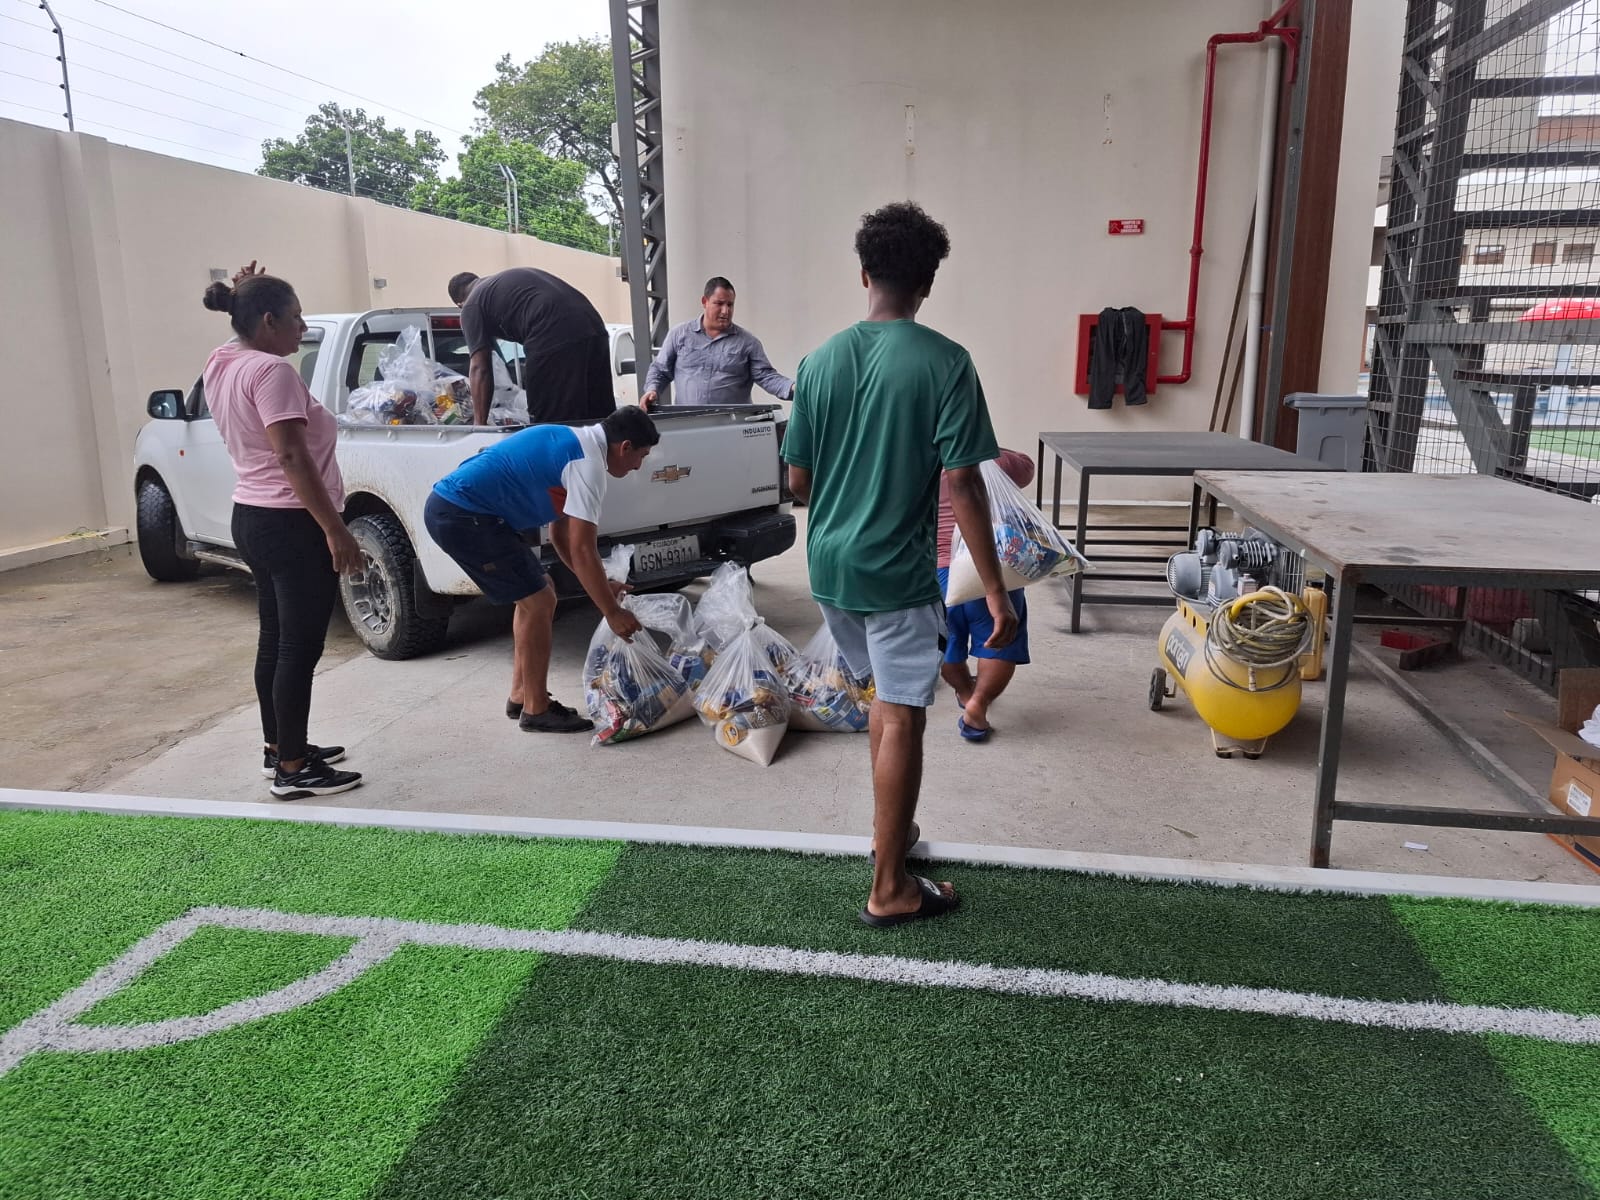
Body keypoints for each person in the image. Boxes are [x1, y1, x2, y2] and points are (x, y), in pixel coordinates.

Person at [782, 202, 1016, 928]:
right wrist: (996, 591)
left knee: (887, 702)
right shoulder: (946, 361)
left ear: (865, 274)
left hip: (830, 569)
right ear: (927, 282)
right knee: (903, 716)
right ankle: (890, 887)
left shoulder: (818, 361)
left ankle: (895, 833)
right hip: (896, 572)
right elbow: (964, 482)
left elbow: (798, 481)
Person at [201, 262, 364, 800]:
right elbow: (292, 456)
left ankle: (281, 746)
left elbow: (242, 323)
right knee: (298, 646)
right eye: (295, 317)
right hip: (293, 523)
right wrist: (335, 530)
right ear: (268, 321)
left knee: (276, 639)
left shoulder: (223, 360)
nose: (303, 327)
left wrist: (243, 290)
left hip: (253, 516)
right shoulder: (273, 373)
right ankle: (293, 769)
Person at [424, 406, 658, 733]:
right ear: (625, 447)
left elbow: (562, 537)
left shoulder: (573, 443)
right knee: (538, 600)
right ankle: (536, 710)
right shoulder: (587, 464)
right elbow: (582, 548)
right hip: (463, 515)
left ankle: (522, 695)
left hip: (463, 511)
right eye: (641, 456)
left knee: (539, 592)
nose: (638, 466)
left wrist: (603, 585)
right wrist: (612, 612)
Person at [937, 450, 1036, 741]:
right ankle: (978, 704)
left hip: (940, 570)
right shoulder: (996, 461)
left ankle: (965, 692)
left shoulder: (919, 463)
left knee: (945, 641)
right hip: (993, 567)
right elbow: (1027, 468)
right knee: (999, 640)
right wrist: (989, 448)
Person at [447, 268, 615, 426]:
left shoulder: (471, 305)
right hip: (593, 326)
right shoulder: (498, 286)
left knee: (551, 423)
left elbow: (480, 368)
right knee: (600, 418)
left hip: (553, 333)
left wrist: (479, 425)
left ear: (460, 304)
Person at [640, 277, 793, 409]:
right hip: (687, 423)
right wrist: (652, 390)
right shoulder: (679, 335)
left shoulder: (747, 343)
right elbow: (660, 370)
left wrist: (795, 388)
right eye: (719, 303)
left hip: (732, 425)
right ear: (704, 302)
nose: (725, 311)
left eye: (730, 305)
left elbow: (767, 376)